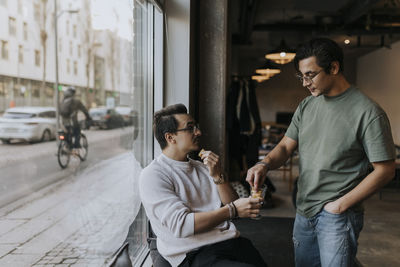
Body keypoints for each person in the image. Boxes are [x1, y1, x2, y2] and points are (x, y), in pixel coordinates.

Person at [246, 38, 396, 267]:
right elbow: (286, 146)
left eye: (310, 75)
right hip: (304, 208)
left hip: (338, 215)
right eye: (301, 76)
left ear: (334, 68)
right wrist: (264, 164)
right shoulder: (307, 106)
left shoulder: (368, 112)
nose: (305, 83)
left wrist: (340, 206)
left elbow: (385, 170)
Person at [139, 104, 268, 267]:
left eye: (197, 127)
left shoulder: (201, 167)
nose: (198, 132)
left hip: (228, 240)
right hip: (192, 253)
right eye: (190, 128)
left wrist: (218, 176)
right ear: (170, 138)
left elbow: (234, 206)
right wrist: (232, 209)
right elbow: (183, 225)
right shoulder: (153, 175)